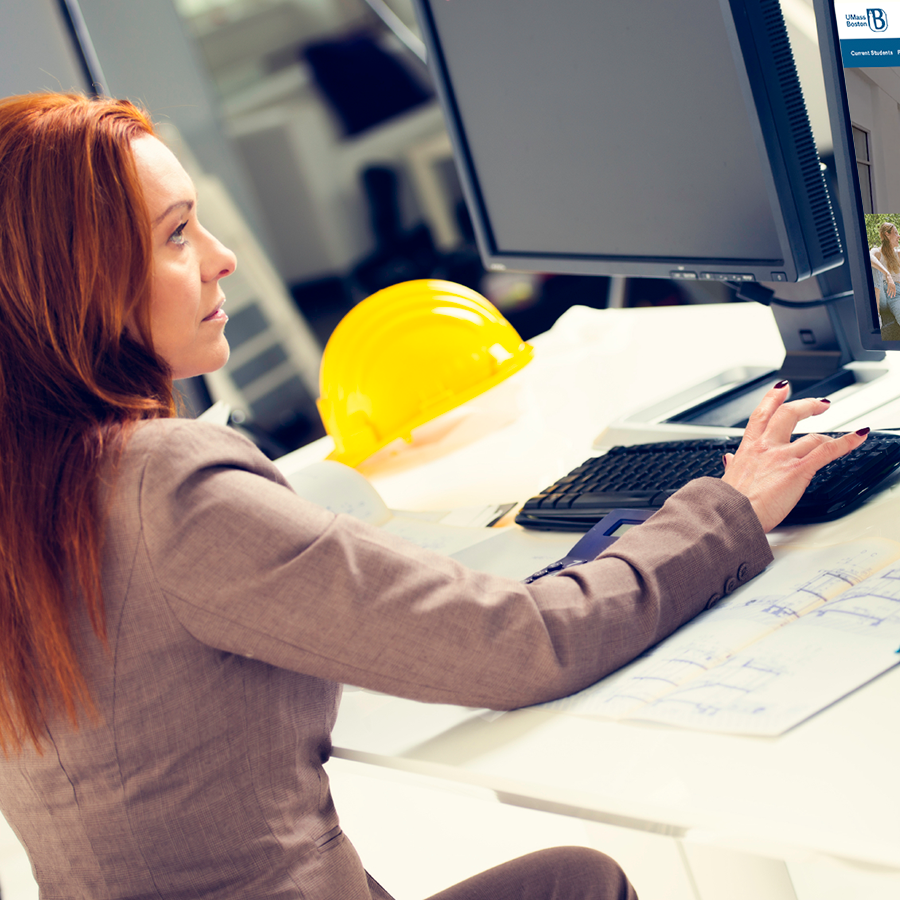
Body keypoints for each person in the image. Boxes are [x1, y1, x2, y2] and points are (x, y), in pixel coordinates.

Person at [0, 93, 869, 900]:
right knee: (583, 886)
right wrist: (729, 507)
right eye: (178, 234)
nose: (222, 257)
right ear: (70, 285)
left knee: (569, 878)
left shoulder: (28, 495)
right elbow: (525, 646)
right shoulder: (164, 487)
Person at [870, 221, 900, 333]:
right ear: (887, 235)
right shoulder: (877, 251)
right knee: (875, 267)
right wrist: (887, 274)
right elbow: (869, 257)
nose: (899, 236)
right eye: (896, 233)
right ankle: (876, 316)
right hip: (883, 294)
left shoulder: (898, 253)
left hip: (897, 296)